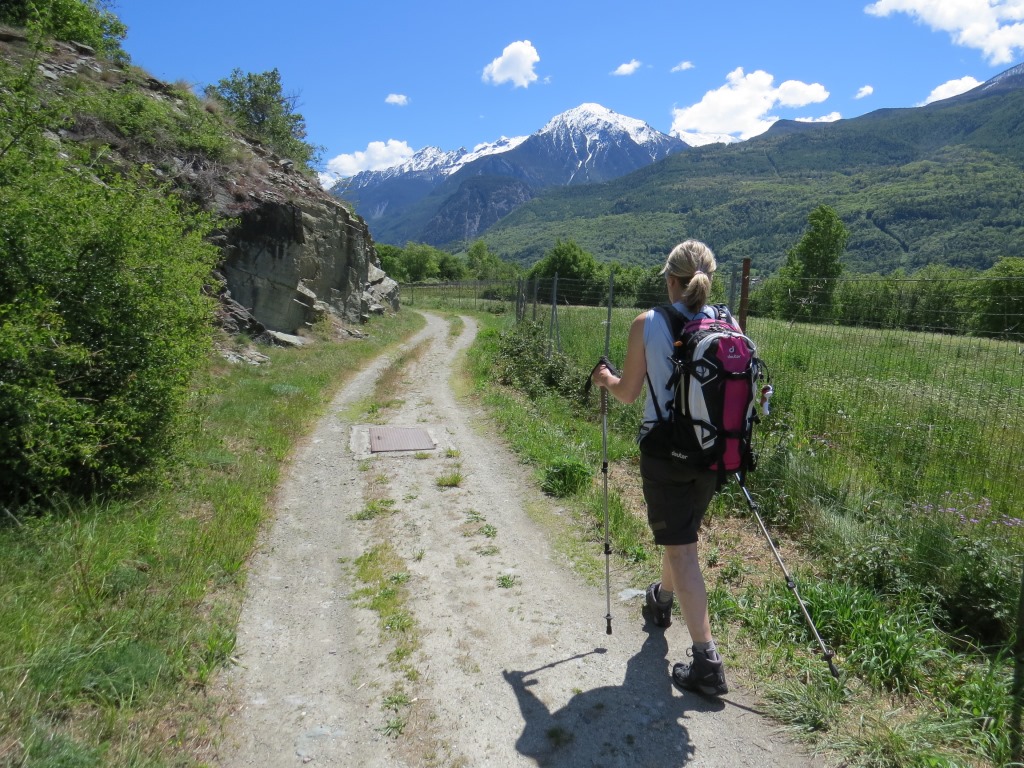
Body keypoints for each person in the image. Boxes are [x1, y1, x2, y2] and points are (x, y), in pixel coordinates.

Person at [590, 239, 729, 697]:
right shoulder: (726, 322)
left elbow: (628, 392)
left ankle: (706, 660)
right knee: (682, 536)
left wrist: (604, 378)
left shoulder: (647, 323)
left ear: (669, 279)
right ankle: (661, 600)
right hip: (712, 452)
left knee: (683, 549)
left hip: (665, 454)